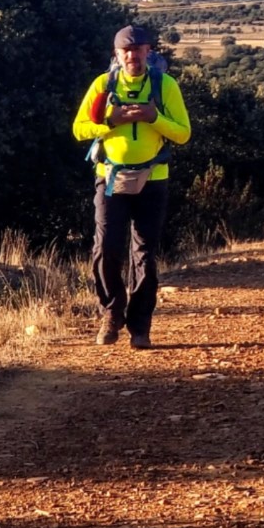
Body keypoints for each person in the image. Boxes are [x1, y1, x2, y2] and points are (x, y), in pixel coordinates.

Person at [72, 24, 192, 347]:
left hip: (153, 179)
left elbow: (183, 133)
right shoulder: (103, 85)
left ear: (148, 52)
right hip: (110, 178)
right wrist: (111, 121)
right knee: (106, 249)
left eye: (138, 49)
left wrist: (154, 118)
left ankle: (140, 327)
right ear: (117, 54)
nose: (132, 55)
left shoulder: (164, 85)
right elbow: (79, 129)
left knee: (145, 254)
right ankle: (112, 313)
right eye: (126, 50)